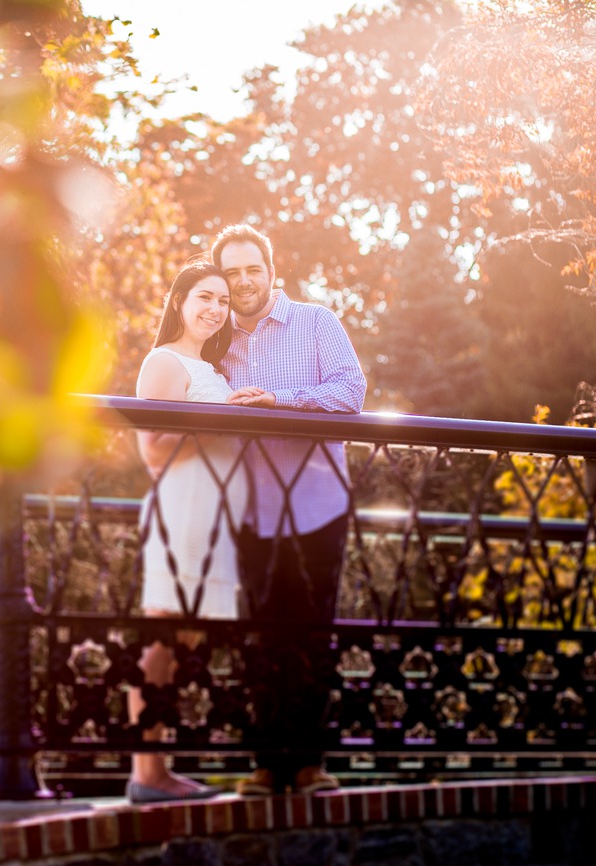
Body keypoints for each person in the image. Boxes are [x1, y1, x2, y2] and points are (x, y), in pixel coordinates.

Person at [211, 224, 367, 796]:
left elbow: (351, 390)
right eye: (232, 273)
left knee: (313, 633)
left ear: (272, 271)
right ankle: (265, 763)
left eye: (253, 269)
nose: (244, 281)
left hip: (316, 505)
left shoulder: (317, 323)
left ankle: (309, 764)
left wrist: (283, 404)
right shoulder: (214, 338)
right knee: (258, 634)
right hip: (248, 512)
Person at [126, 259, 265, 804]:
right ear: (180, 301)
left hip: (215, 518)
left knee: (185, 642)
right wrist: (221, 422)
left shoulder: (214, 370)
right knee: (161, 637)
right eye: (205, 297)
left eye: (223, 302)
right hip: (182, 510)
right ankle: (146, 773)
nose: (214, 309)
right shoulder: (163, 361)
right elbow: (153, 451)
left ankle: (160, 767)